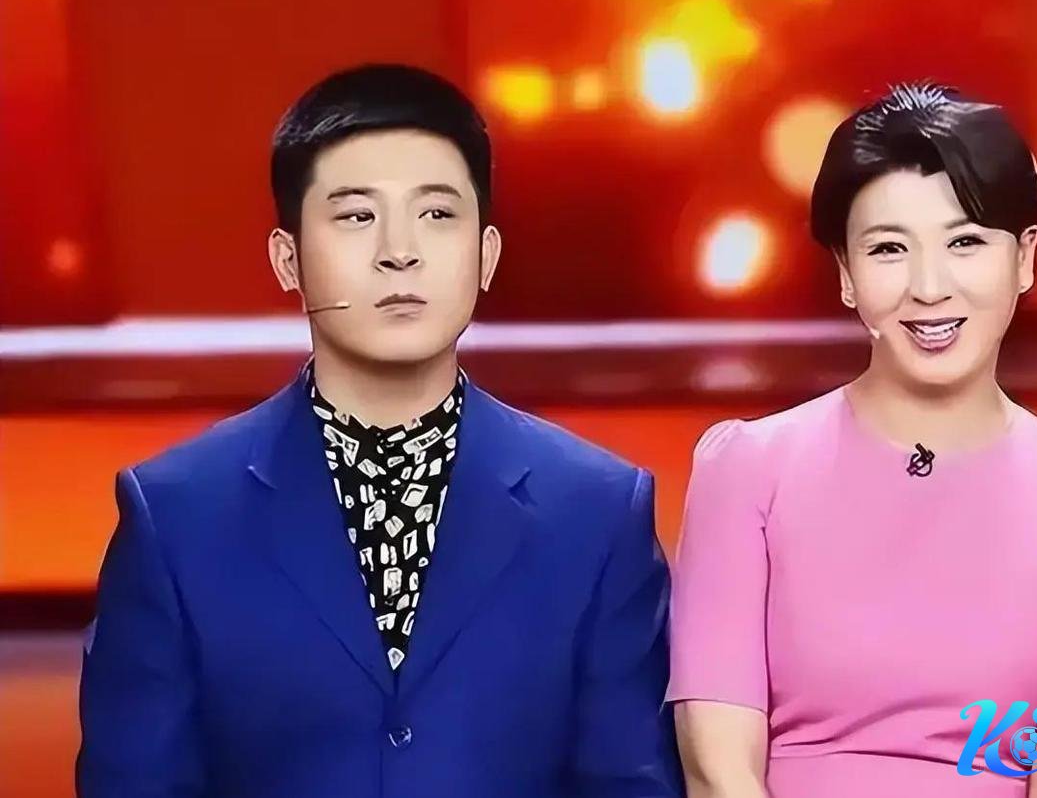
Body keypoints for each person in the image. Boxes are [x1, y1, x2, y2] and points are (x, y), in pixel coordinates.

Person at [77, 63, 683, 798]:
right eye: (357, 216)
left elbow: (627, 780)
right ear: (288, 259)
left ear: (487, 255)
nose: (401, 251)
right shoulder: (176, 513)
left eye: (437, 214)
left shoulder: (597, 510)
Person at [666, 83, 1037, 797]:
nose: (929, 287)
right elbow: (718, 771)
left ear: (1024, 257)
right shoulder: (746, 470)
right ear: (845, 273)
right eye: (889, 248)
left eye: (965, 242)